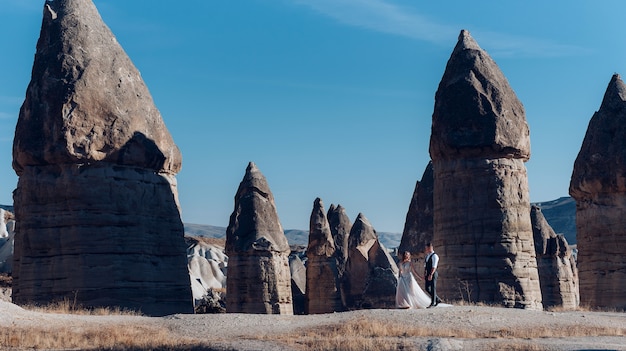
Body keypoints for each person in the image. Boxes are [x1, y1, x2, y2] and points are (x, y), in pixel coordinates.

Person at [424, 242, 442, 307]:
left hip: (433, 273)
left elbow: (434, 266)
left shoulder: (434, 256)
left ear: (430, 247)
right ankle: (437, 299)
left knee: (433, 287)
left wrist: (431, 274)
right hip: (428, 273)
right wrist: (425, 273)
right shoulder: (427, 256)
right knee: (427, 288)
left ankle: (433, 302)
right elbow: (425, 265)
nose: (426, 249)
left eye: (427, 248)